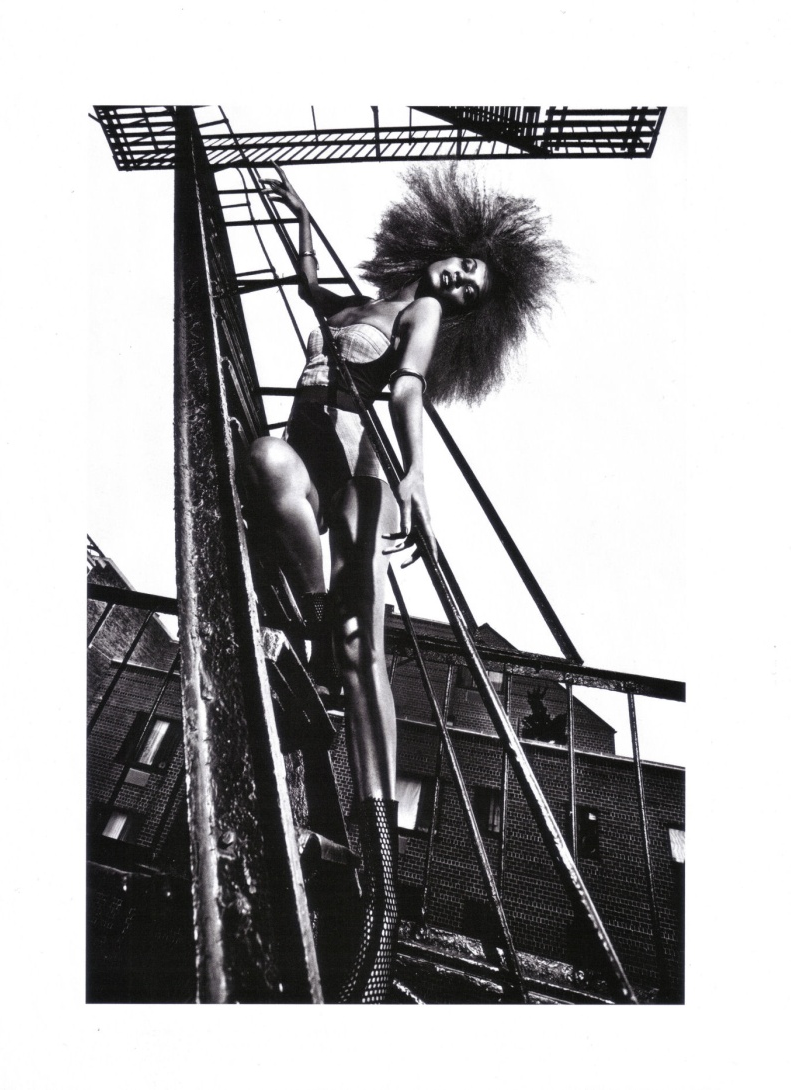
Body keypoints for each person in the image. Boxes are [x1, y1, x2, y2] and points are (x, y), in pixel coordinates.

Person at [246, 163, 566, 1002]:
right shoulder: (351, 307)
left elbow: (410, 391)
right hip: (311, 453)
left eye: (471, 288)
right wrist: (292, 215)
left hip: (364, 469)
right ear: (442, 247)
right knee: (265, 460)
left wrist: (417, 476)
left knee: (365, 654)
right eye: (463, 266)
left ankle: (383, 876)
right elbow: (313, 286)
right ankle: (315, 622)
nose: (459, 284)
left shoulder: (420, 316)